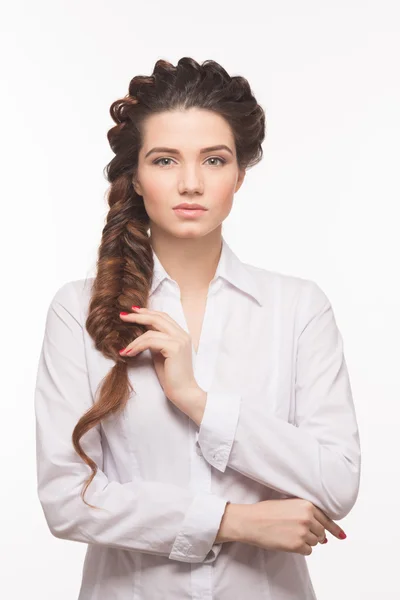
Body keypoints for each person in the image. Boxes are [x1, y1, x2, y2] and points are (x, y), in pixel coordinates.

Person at [34, 57, 361, 600]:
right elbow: (68, 501)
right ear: (135, 176)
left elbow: (336, 482)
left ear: (239, 174)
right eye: (165, 160)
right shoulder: (78, 310)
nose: (190, 183)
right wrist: (231, 520)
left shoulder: (298, 308)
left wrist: (196, 400)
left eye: (214, 159)